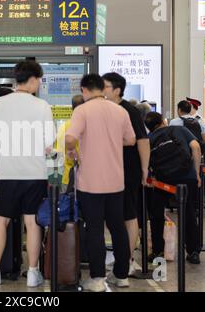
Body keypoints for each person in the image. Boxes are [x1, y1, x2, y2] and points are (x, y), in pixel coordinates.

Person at [0, 60, 55, 287]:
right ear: (34, 79)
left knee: (0, 221)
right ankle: (34, 272)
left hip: (8, 173)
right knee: (32, 222)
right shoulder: (42, 106)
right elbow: (49, 141)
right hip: (36, 173)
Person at [66, 74, 136, 292]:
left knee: (95, 229)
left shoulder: (82, 110)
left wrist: (72, 148)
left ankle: (97, 279)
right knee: (118, 228)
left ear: (85, 90)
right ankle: (121, 275)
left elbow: (69, 138)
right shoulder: (119, 110)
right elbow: (131, 140)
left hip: (91, 183)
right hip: (116, 182)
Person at [102, 72, 150, 276]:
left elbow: (142, 141)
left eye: (105, 87)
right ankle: (122, 258)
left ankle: (128, 259)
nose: (102, 90)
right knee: (116, 215)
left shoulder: (128, 111)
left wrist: (144, 170)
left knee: (129, 215)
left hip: (127, 171)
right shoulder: (109, 109)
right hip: (112, 170)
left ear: (117, 90)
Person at [144, 112, 201, 264]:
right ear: (163, 121)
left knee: (156, 214)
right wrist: (196, 174)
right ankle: (193, 252)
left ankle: (158, 251)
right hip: (186, 177)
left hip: (162, 180)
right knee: (188, 213)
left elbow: (146, 160)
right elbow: (195, 147)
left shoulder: (149, 139)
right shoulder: (179, 130)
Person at [55, 94, 85, 192]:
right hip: (86, 179)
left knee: (67, 205)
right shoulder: (88, 125)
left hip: (67, 177)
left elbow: (57, 152)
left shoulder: (64, 126)